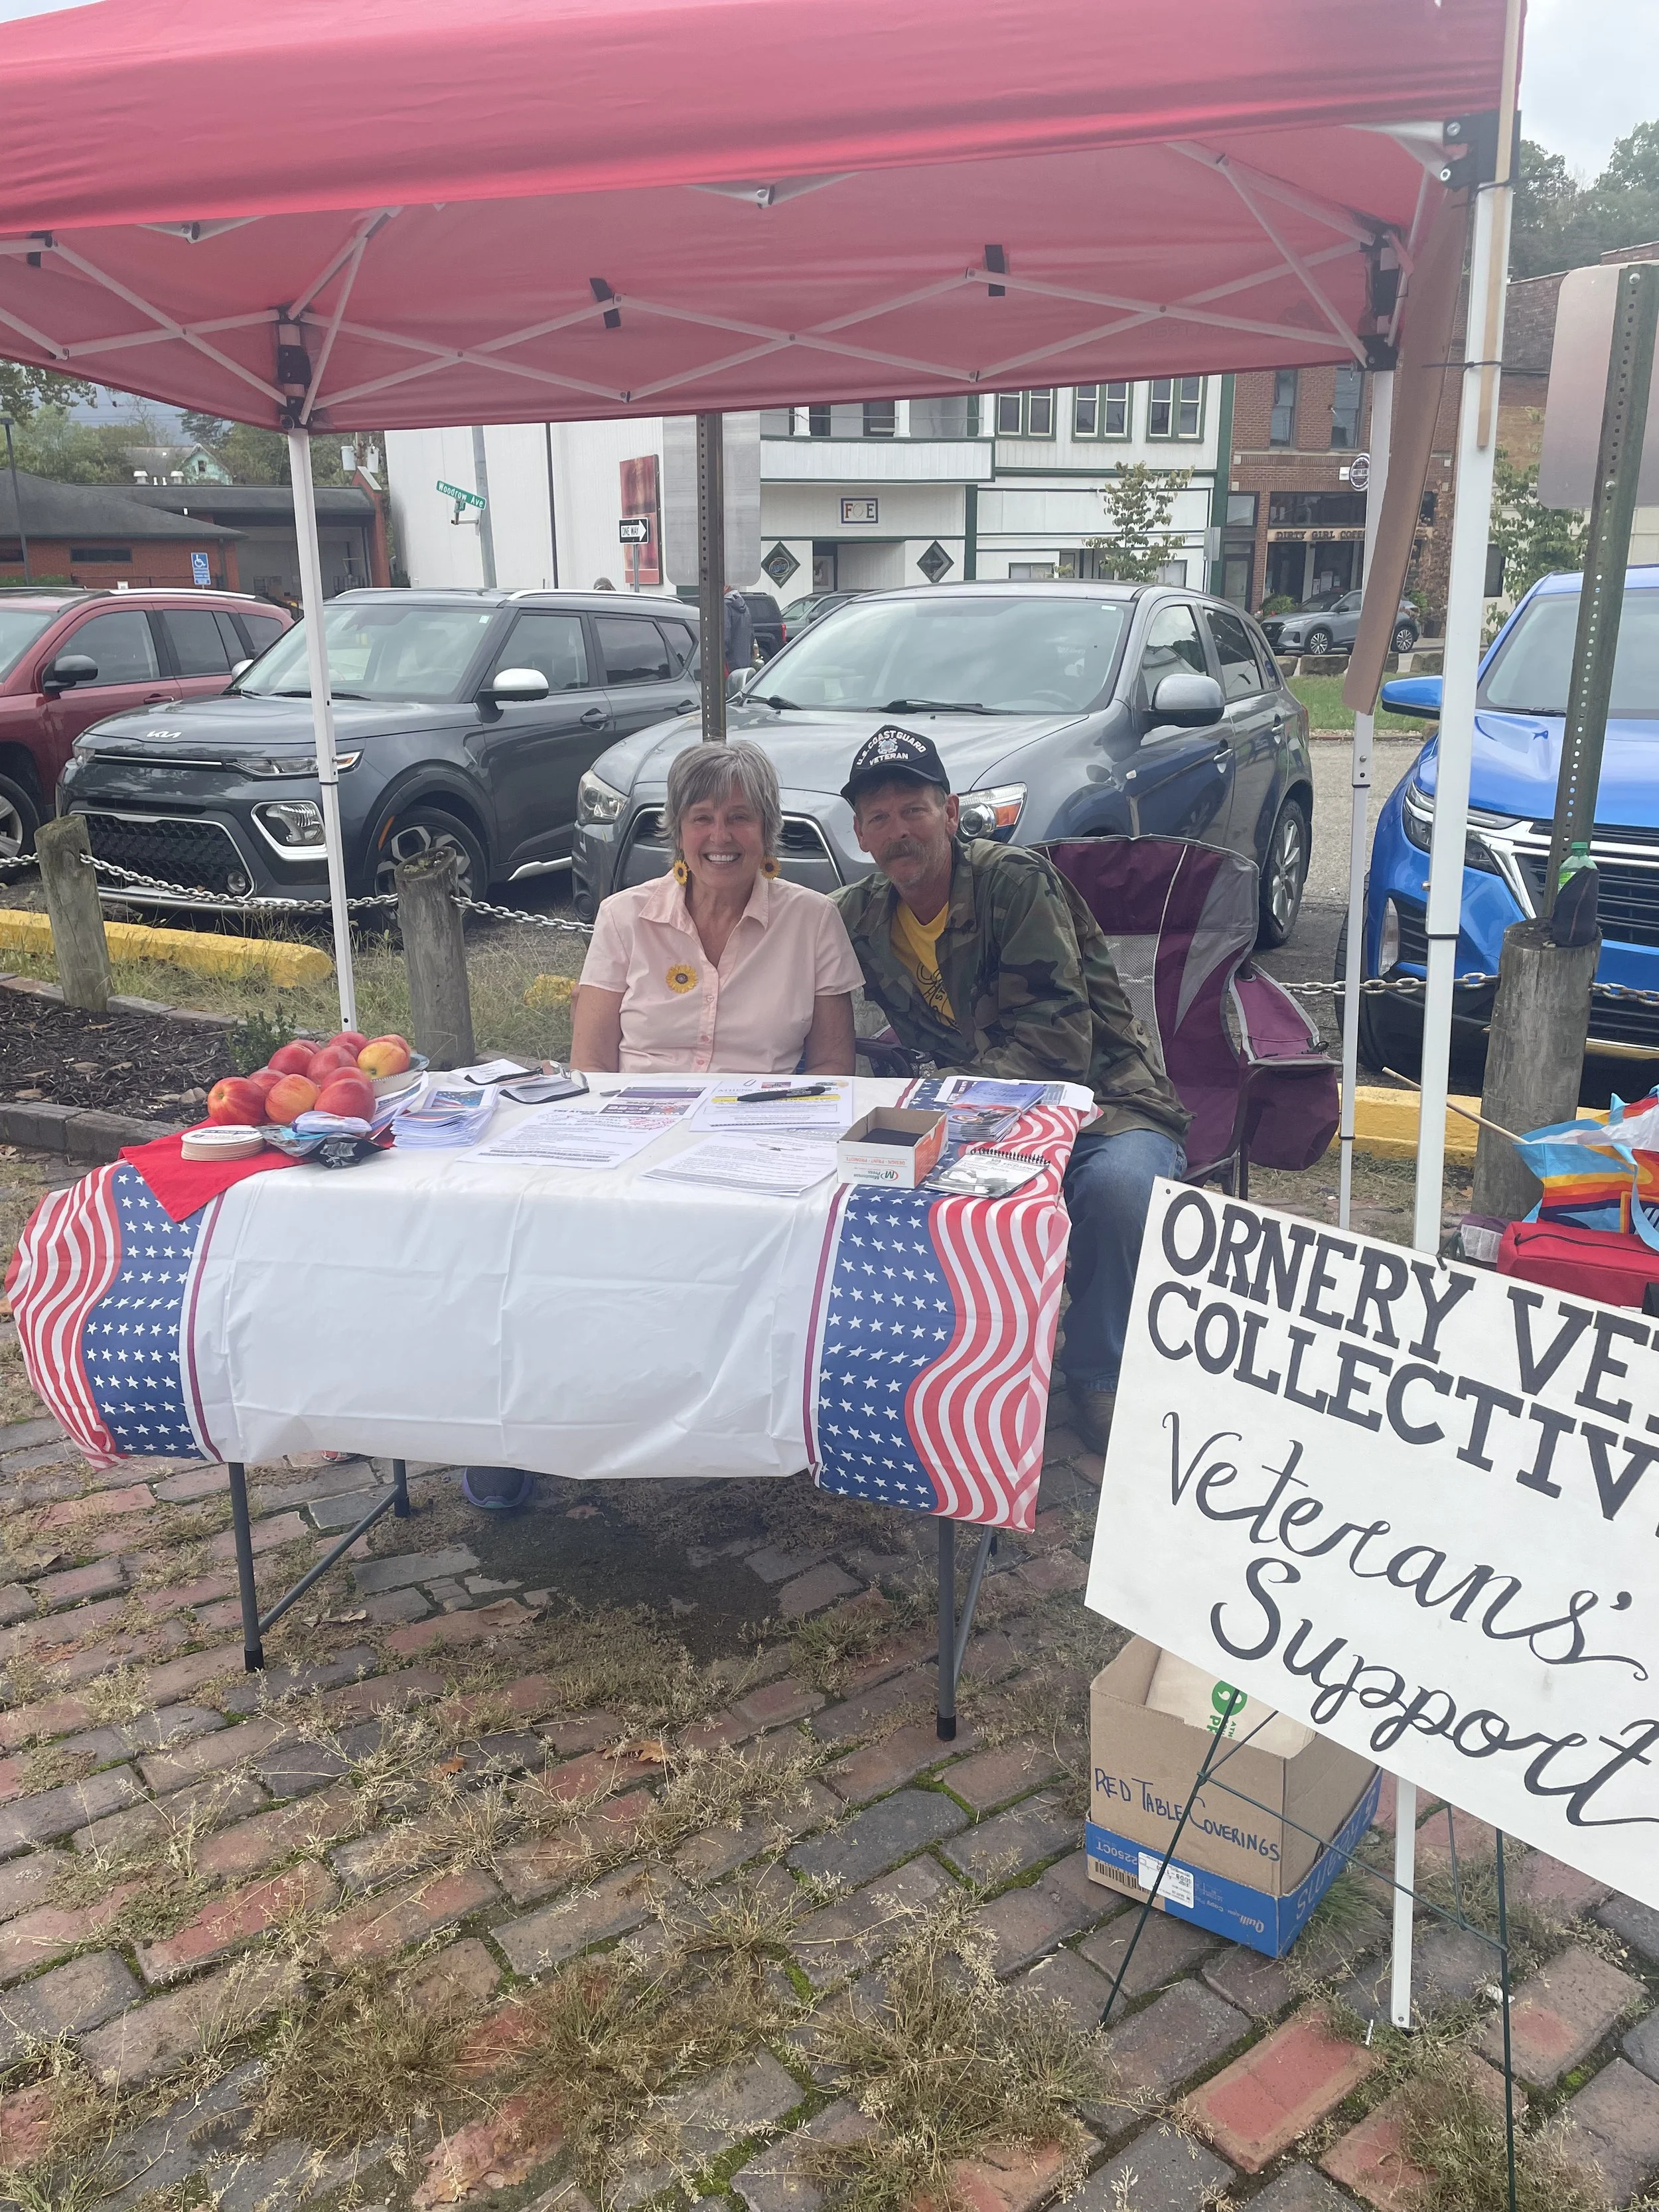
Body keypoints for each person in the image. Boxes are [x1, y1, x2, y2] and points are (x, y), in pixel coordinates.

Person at [833, 726, 1189, 1453]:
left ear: (950, 809)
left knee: (1121, 1191)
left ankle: (1099, 1375)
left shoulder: (1012, 881)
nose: (898, 831)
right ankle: (936, 1374)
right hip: (968, 1120)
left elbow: (1060, 1044)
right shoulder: (856, 915)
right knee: (859, 1186)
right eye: (879, 817)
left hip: (1099, 1103)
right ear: (861, 834)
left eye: (913, 809)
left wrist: (937, 1105)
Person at [571, 739, 860, 1076]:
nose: (720, 836)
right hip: (638, 1119)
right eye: (702, 818)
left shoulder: (815, 921)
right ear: (678, 831)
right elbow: (590, 1065)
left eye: (740, 817)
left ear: (767, 828)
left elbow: (832, 1067)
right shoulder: (622, 918)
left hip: (757, 1120)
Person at [723, 587, 754, 677]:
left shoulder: (725, 606)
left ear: (726, 587)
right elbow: (751, 634)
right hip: (745, 661)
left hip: (730, 663)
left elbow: (725, 637)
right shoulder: (744, 606)